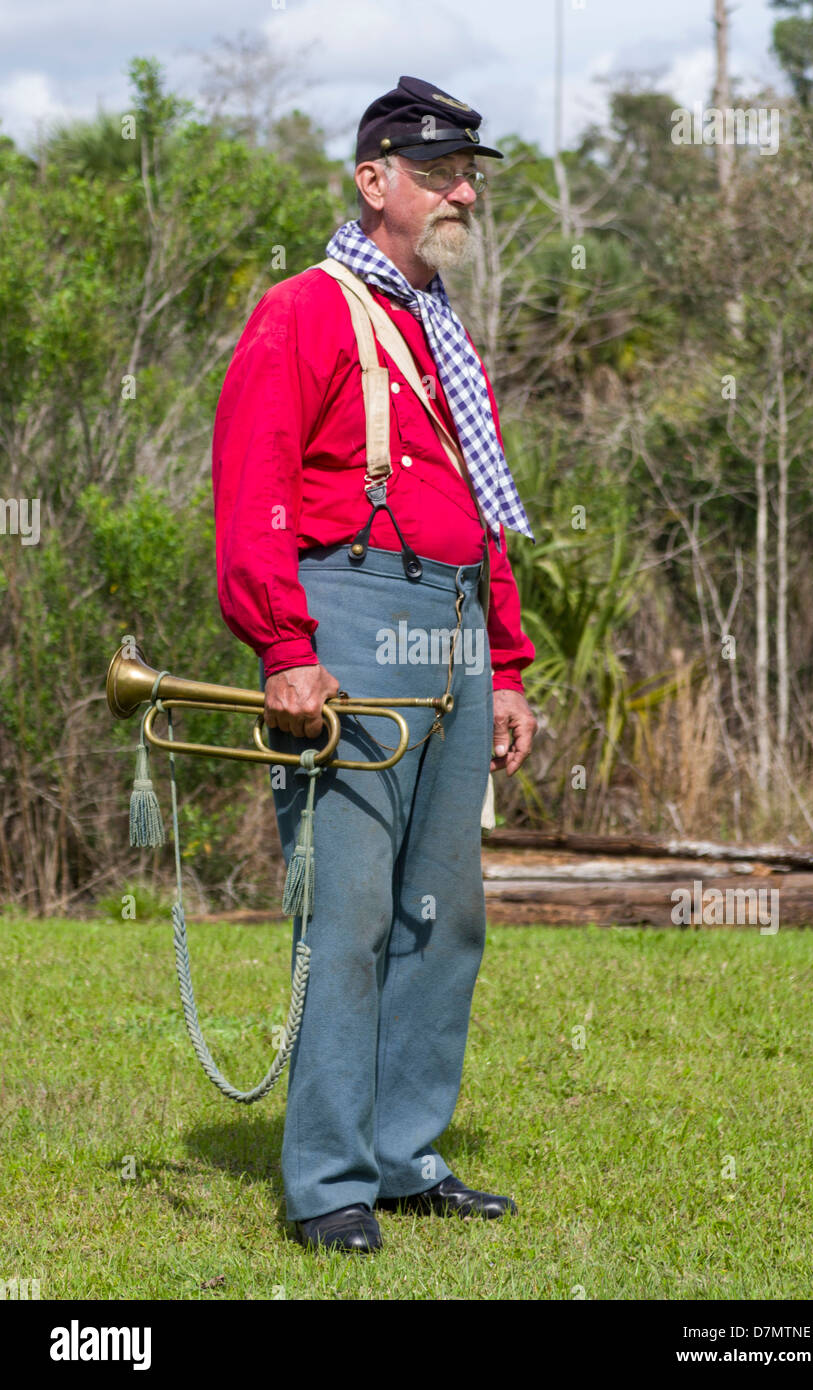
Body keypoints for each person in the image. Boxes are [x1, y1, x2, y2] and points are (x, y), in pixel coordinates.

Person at [211, 75, 537, 1254]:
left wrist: (502, 660)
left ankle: (403, 1155)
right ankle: (331, 1182)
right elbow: (251, 493)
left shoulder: (443, 329)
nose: (463, 191)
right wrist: (285, 647)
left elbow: (480, 513)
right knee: (346, 912)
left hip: (449, 618)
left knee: (444, 917)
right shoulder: (301, 310)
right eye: (442, 172)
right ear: (374, 181)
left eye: (469, 175)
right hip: (344, 615)